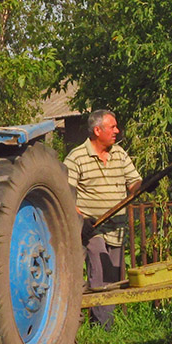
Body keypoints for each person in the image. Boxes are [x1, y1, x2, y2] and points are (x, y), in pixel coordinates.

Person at [64, 110, 142, 327]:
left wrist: (142, 186)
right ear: (97, 130)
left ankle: (102, 323)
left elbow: (134, 182)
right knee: (99, 272)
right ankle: (103, 326)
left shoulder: (120, 154)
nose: (117, 131)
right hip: (92, 229)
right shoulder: (77, 157)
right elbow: (65, 194)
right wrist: (80, 219)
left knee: (112, 278)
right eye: (112, 127)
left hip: (117, 229)